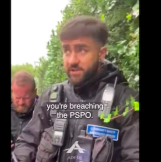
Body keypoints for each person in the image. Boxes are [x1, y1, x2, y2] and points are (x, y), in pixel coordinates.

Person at [14, 16, 139, 162]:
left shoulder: (127, 103)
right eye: (67, 51)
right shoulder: (51, 98)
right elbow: (27, 142)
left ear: (101, 53)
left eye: (82, 50)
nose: (72, 60)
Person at [11, 71, 38, 147]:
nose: (21, 102)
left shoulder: (43, 115)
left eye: (26, 98)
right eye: (17, 98)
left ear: (35, 92)